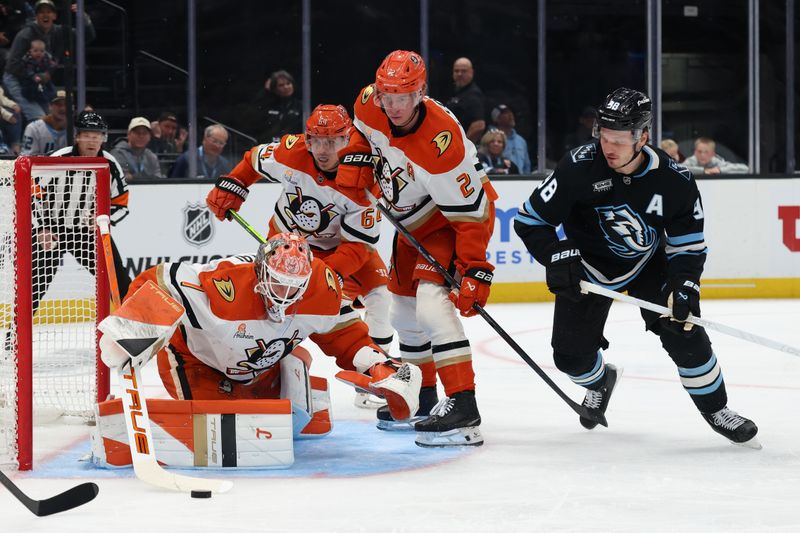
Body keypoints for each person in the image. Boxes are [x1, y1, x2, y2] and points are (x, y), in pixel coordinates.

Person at [513, 87, 759, 448]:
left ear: (643, 136)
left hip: (648, 264)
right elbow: (529, 221)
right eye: (603, 135)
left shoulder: (675, 180)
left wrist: (685, 284)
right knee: (570, 358)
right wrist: (556, 254)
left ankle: (717, 409)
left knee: (684, 329)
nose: (607, 147)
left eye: (619, 139)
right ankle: (599, 382)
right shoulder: (578, 166)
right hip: (588, 272)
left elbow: (687, 244)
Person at [336, 50, 497, 447]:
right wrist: (356, 154)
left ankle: (463, 406)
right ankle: (422, 397)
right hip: (409, 221)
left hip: (448, 221)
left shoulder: (443, 144)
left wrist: (474, 268)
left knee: (430, 305)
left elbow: (472, 214)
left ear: (421, 92)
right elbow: (362, 131)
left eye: (402, 96)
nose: (391, 105)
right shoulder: (368, 102)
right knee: (402, 311)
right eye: (386, 95)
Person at [124, 233, 420, 426]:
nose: (284, 292)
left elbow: (344, 334)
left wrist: (380, 365)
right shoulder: (227, 286)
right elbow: (162, 279)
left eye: (294, 286)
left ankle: (291, 371)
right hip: (196, 361)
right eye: (278, 280)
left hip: (261, 368)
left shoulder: (321, 288)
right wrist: (130, 331)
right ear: (261, 270)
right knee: (223, 427)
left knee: (281, 426)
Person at [205, 104, 394, 355]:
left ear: (346, 139)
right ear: (307, 140)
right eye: (316, 141)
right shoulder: (290, 152)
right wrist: (235, 183)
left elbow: (357, 247)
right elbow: (253, 159)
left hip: (340, 251)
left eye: (331, 142)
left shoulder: (365, 179)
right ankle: (264, 361)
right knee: (273, 309)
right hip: (285, 246)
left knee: (382, 298)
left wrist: (325, 275)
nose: (323, 151)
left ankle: (375, 372)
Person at [32, 111, 132, 318]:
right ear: (77, 136)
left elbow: (121, 203)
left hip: (88, 233)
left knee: (119, 279)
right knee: (34, 285)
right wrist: (42, 227)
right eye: (87, 135)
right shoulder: (59, 159)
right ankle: (13, 338)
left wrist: (102, 221)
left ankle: (135, 328)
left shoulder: (110, 164)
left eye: (97, 136)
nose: (92, 140)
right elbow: (34, 192)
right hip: (53, 230)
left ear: (103, 138)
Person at [3, 0, 94, 121]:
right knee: (40, 118)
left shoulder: (60, 32)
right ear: (36, 16)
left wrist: (83, 17)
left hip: (40, 81)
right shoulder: (25, 35)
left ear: (54, 16)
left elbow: (87, 37)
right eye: (41, 12)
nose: (45, 15)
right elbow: (12, 65)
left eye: (49, 12)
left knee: (54, 117)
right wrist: (36, 75)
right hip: (17, 79)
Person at [445, 57, 486, 145]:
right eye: (456, 71)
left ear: (471, 72)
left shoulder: (473, 94)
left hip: (462, 150)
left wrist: (464, 146)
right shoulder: (455, 92)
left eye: (463, 71)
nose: (459, 74)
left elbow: (479, 125)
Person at [111, 116, 163, 181]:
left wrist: (133, 176)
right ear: (128, 134)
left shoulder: (151, 156)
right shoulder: (117, 153)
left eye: (145, 133)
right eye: (137, 133)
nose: (141, 136)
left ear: (149, 137)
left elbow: (158, 179)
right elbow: (121, 177)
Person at [20, 88, 65, 155]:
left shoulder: (76, 130)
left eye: (67, 104)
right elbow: (27, 159)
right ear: (50, 106)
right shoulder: (34, 129)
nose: (63, 108)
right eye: (58, 104)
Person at [490, 104, 531, 173]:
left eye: (510, 112)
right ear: (497, 119)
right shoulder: (490, 139)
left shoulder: (521, 141)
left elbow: (527, 167)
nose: (510, 115)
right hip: (500, 180)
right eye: (505, 113)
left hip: (522, 181)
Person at [20, 37, 56, 109]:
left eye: (42, 51)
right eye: (35, 51)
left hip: (42, 76)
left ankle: (50, 100)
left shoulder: (46, 57)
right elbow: (28, 71)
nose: (39, 53)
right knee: (31, 89)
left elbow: (52, 64)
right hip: (30, 79)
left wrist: (50, 69)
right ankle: (32, 98)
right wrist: (35, 77)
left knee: (52, 90)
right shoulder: (28, 60)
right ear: (30, 51)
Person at [683, 137, 749, 175]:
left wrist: (720, 170)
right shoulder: (691, 160)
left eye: (706, 152)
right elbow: (679, 169)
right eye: (699, 151)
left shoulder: (717, 161)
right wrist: (703, 170)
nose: (702, 155)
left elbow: (745, 168)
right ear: (695, 152)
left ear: (713, 154)